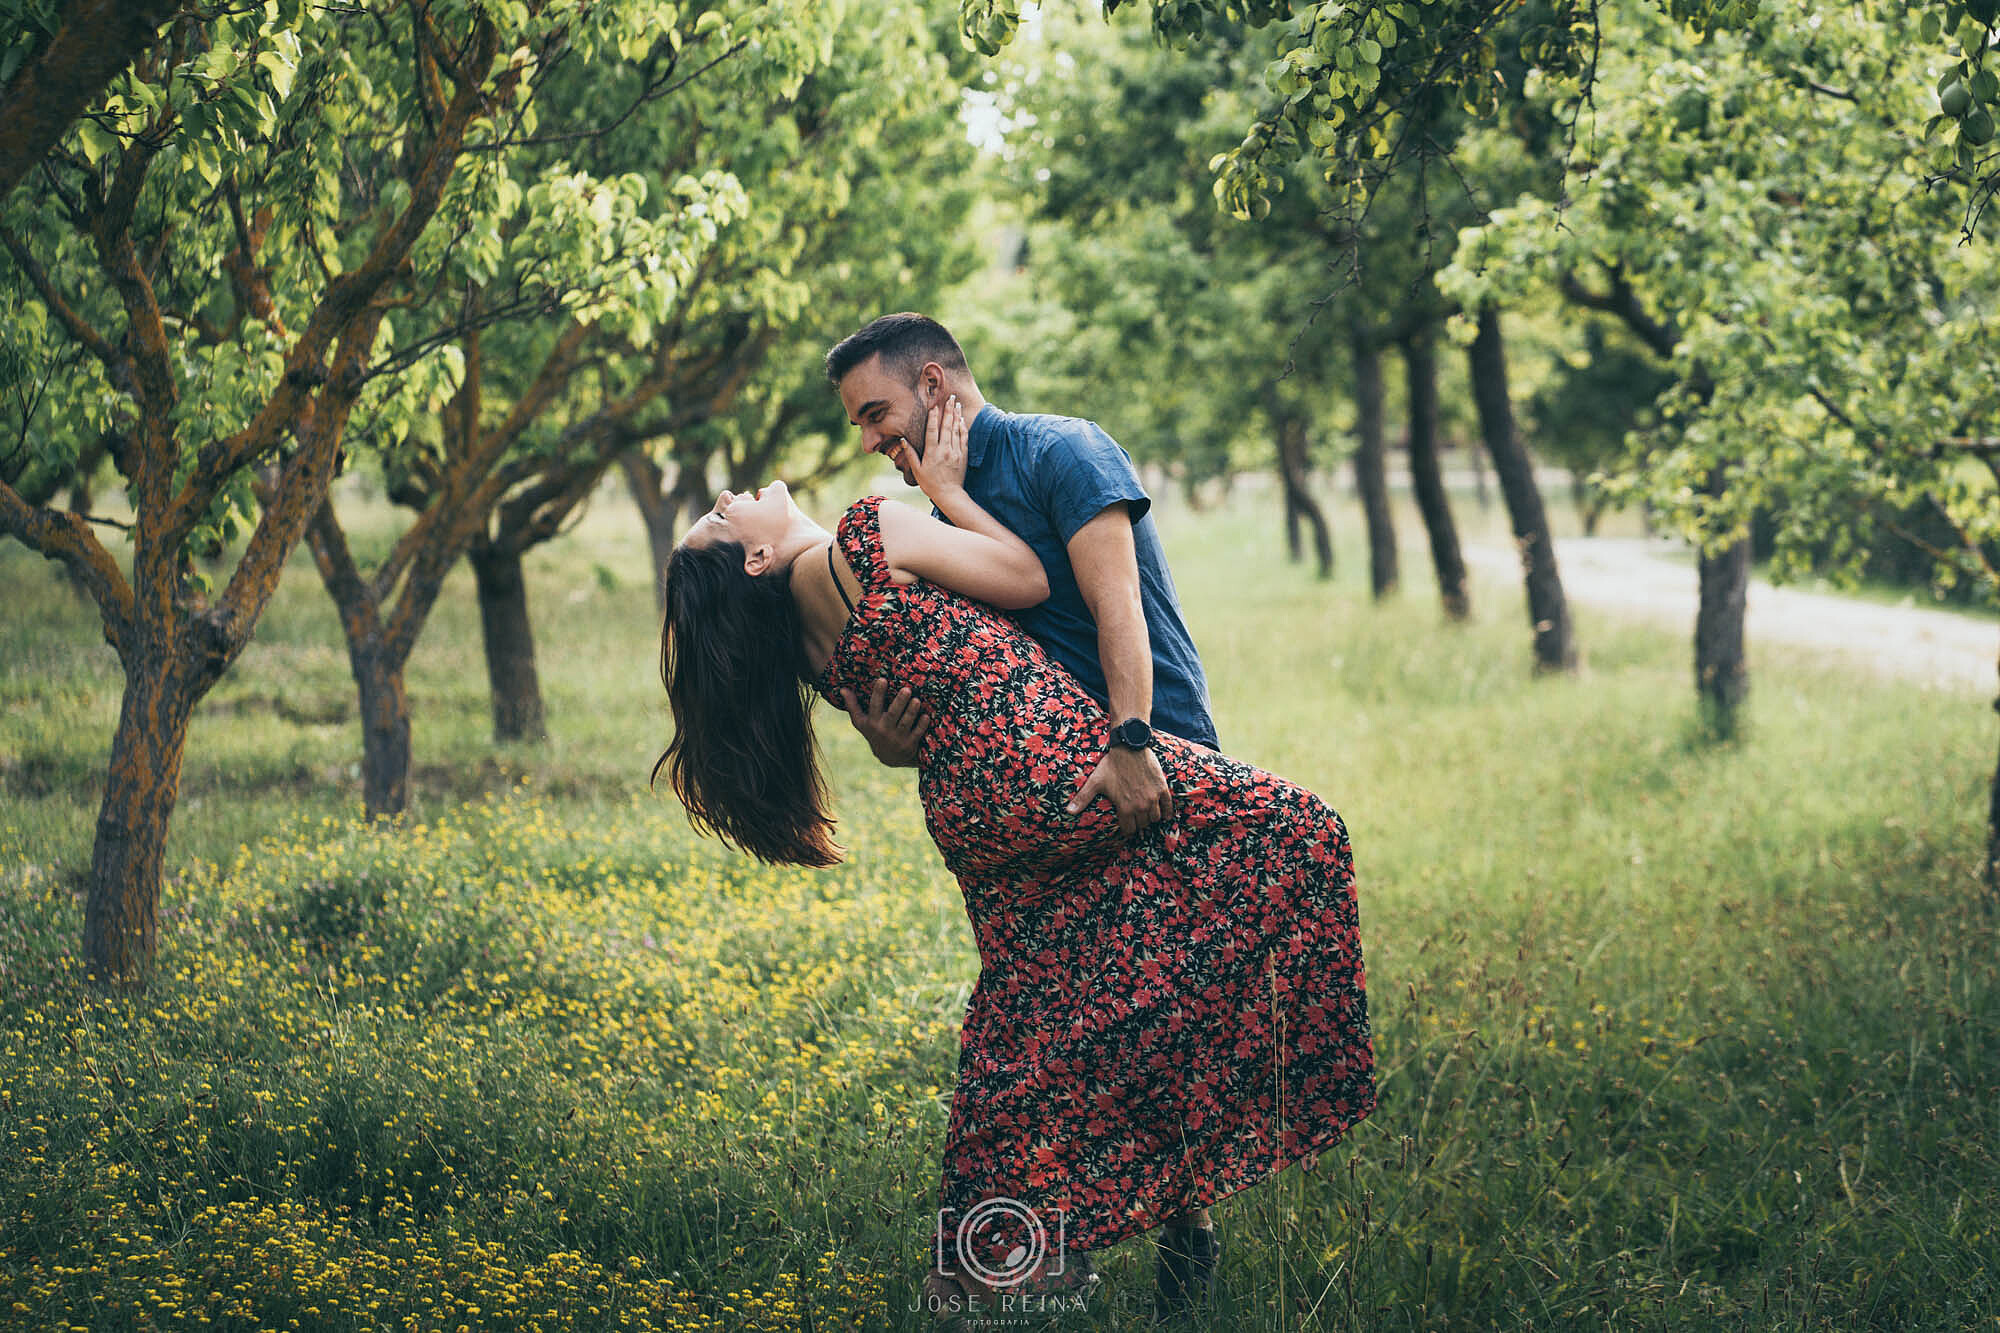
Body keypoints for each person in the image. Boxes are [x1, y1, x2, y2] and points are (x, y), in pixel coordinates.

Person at [655, 395, 1376, 1323]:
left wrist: (885, 746)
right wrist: (950, 492)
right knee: (1302, 832)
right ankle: (1281, 1098)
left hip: (975, 813)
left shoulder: (795, 641)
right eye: (720, 517)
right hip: (1058, 767)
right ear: (754, 556)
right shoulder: (871, 534)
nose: (725, 492)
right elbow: (1028, 577)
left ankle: (999, 1259)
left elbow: (904, 716)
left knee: (1027, 1021)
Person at [824, 313, 1217, 844]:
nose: (869, 441)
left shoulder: (1063, 451)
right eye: (861, 427)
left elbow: (1119, 605)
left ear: (932, 383)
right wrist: (898, 744)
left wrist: (1130, 744)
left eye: (876, 415)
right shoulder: (943, 518)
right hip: (1062, 792)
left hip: (1158, 763)